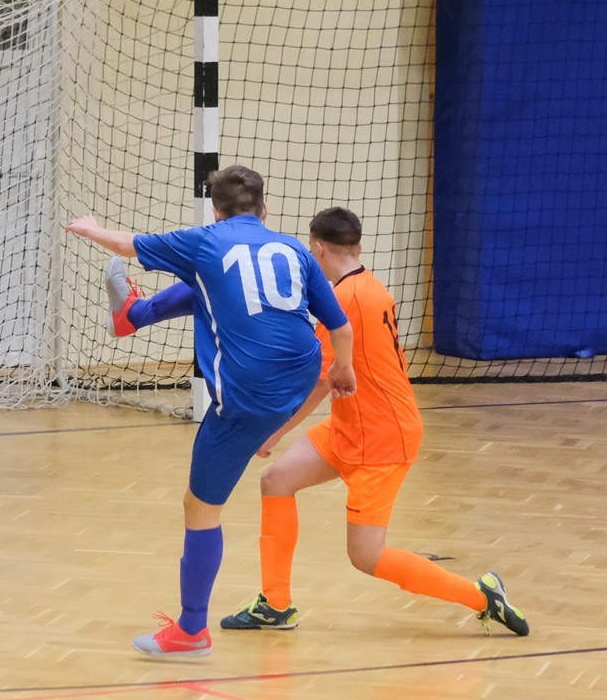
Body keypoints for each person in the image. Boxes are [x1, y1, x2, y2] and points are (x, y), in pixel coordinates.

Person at [103, 206, 527, 637]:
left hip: (383, 437)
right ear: (357, 245)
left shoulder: (345, 300)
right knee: (277, 481)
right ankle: (276, 604)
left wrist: (275, 431)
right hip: (352, 425)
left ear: (319, 248)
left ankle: (481, 595)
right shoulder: (367, 285)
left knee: (366, 556)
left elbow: (322, 381)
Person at [66, 165, 356, 658]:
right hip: (303, 373)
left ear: (216, 213)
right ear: (264, 210)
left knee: (199, 507)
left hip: (248, 396)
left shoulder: (205, 240)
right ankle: (133, 316)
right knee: (212, 286)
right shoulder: (292, 249)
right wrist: (342, 371)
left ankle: (191, 630)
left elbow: (125, 245)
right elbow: (341, 328)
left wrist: (91, 228)